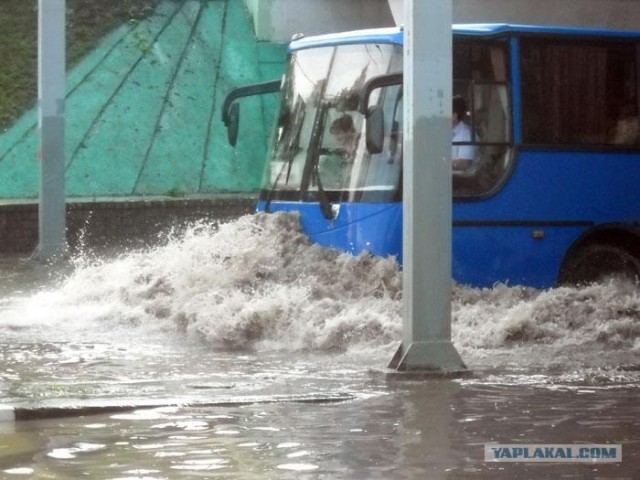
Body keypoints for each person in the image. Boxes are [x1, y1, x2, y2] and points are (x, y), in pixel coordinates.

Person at [452, 95, 475, 171]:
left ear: (454, 116)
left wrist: (438, 164)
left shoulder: (466, 134)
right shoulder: (447, 133)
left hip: (462, 180)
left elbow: (464, 163)